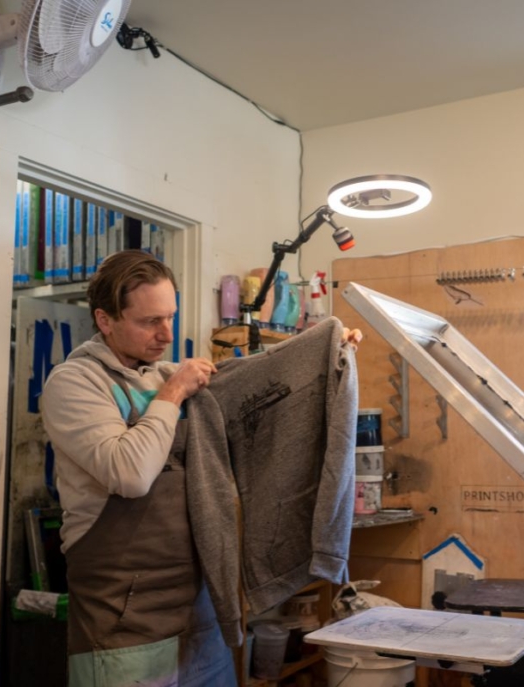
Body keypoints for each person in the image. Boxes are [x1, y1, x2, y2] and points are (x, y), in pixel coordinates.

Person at [41, 249, 359, 687]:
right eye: (149, 321)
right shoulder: (76, 382)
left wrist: (326, 354)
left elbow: (262, 386)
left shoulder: (170, 374)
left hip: (200, 609)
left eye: (170, 317)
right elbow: (130, 474)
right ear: (105, 319)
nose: (166, 334)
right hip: (125, 617)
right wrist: (173, 392)